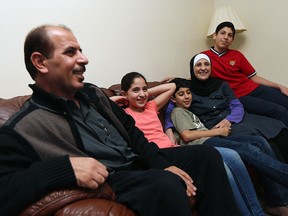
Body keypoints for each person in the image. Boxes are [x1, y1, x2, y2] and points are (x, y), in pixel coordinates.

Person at [0, 25, 241, 216]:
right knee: (165, 184)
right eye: (70, 52)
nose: (84, 59)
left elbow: (132, 132)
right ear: (40, 62)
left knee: (207, 156)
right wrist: (63, 169)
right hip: (115, 177)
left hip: (140, 160)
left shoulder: (93, 94)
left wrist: (161, 163)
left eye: (81, 50)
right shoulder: (22, 127)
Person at [118, 71, 265, 216]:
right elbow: (103, 104)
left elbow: (172, 87)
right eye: (135, 90)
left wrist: (143, 92)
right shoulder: (123, 114)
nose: (142, 94)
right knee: (214, 157)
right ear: (125, 94)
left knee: (223, 162)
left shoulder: (151, 106)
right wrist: (120, 99)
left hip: (174, 149)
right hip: (156, 154)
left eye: (144, 89)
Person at [170, 77, 288, 216]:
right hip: (203, 143)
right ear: (173, 98)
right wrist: (218, 131)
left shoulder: (189, 111)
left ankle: (278, 200)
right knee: (248, 150)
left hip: (211, 139)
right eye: (181, 94)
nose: (186, 97)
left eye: (188, 92)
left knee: (258, 141)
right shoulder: (177, 112)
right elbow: (187, 136)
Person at [202, 21, 288, 127]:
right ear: (215, 36)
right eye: (222, 33)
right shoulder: (204, 58)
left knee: (285, 100)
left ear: (232, 40)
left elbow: (253, 77)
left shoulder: (237, 55)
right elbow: (197, 77)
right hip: (239, 96)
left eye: (230, 35)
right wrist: (176, 82)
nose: (226, 37)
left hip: (255, 88)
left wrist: (279, 86)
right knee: (280, 111)